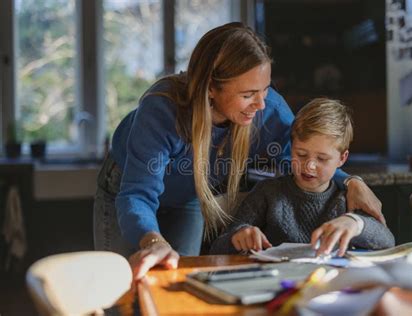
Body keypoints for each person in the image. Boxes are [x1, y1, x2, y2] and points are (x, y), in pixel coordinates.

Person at [93, 22, 385, 280]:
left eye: (265, 89)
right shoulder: (163, 110)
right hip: (127, 192)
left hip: (188, 195)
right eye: (247, 95)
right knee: (125, 289)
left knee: (181, 281)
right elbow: (138, 195)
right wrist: (154, 242)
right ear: (211, 88)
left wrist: (349, 181)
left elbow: (303, 154)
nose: (260, 104)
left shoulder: (267, 109)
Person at [210, 98, 394, 256]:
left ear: (342, 158)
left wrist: (355, 223)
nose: (309, 166)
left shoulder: (347, 199)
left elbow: (388, 241)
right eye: (301, 154)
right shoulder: (268, 192)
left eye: (322, 158)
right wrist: (238, 237)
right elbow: (217, 248)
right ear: (291, 148)